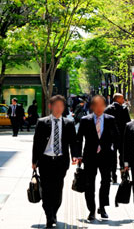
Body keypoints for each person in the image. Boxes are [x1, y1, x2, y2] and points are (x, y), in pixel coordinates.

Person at [32, 95, 80, 228]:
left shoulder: (68, 123)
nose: (58, 108)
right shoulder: (42, 122)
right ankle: (49, 215)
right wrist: (34, 161)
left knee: (57, 189)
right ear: (50, 106)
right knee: (46, 189)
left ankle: (54, 211)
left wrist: (75, 155)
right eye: (56, 106)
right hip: (45, 160)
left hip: (61, 161)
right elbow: (36, 143)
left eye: (61, 106)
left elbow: (73, 141)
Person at [76, 95, 119, 221]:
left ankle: (102, 207)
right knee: (89, 184)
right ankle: (91, 209)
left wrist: (114, 150)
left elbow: (117, 137)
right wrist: (78, 155)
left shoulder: (110, 119)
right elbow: (79, 139)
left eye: (102, 105)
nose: (99, 108)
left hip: (106, 156)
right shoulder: (85, 120)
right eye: (96, 105)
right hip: (89, 156)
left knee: (106, 182)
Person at [105, 93, 131, 184]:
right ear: (117, 99)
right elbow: (128, 123)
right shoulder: (124, 109)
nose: (123, 100)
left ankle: (113, 175)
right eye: (122, 98)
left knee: (112, 156)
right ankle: (123, 174)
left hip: (111, 137)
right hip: (122, 136)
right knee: (122, 156)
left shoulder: (107, 109)